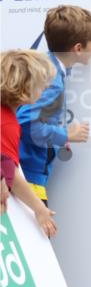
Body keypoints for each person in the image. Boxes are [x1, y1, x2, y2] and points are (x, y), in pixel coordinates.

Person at [18, 5, 91, 203]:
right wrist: (67, 134)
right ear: (78, 48)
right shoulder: (52, 78)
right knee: (40, 233)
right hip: (29, 176)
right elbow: (28, 124)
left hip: (24, 171)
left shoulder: (47, 67)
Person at [1, 50, 58, 234]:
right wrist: (39, 208)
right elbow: (11, 173)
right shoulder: (8, 123)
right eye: (41, 86)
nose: (44, 91)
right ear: (25, 90)